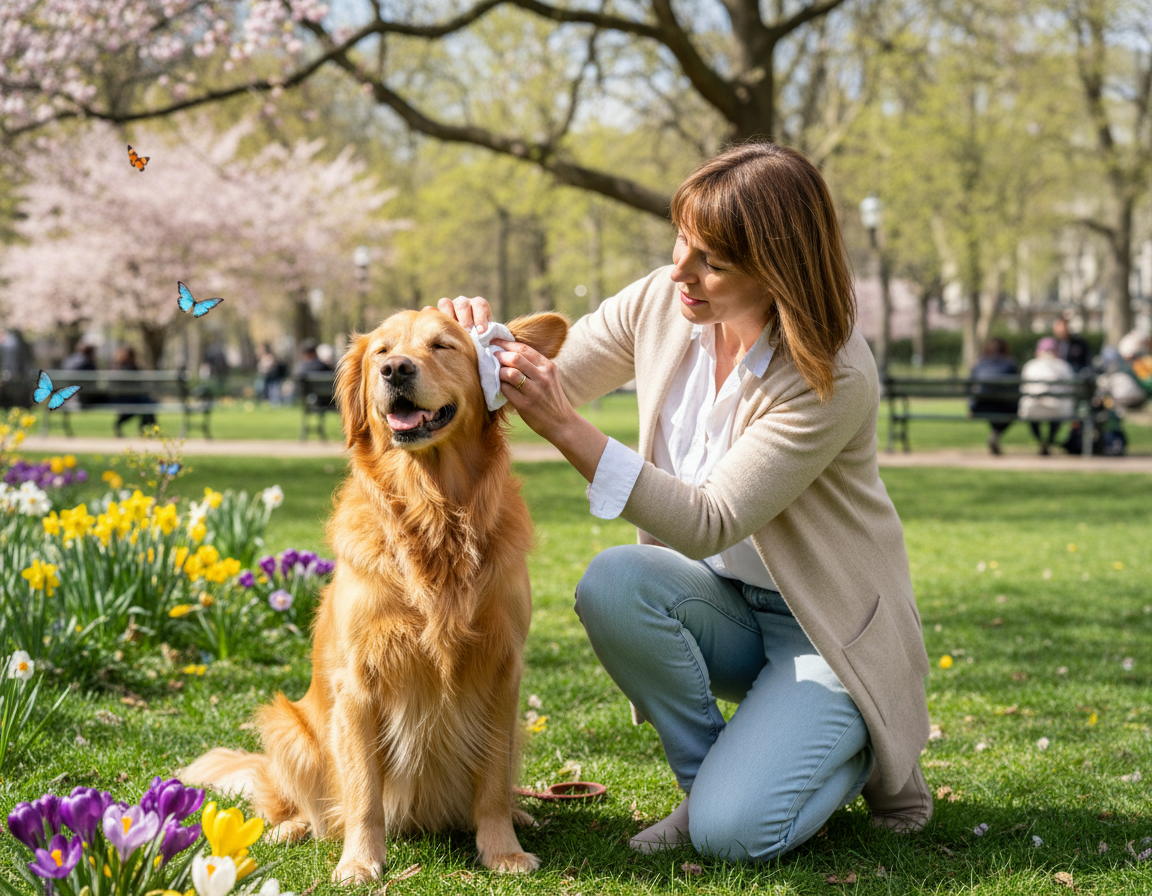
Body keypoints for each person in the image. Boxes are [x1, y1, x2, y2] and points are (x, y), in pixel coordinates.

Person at [439, 143, 932, 863]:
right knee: (613, 582)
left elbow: (710, 521)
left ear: (779, 269)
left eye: (713, 261)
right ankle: (710, 783)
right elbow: (547, 379)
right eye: (682, 241)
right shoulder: (661, 304)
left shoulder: (831, 373)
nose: (681, 270)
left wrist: (565, 428)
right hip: (723, 606)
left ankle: (855, 740)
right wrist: (469, 340)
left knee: (737, 837)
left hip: (824, 630)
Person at [1018, 336, 1075, 455]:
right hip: (1058, 410)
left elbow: (1024, 388)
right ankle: (1048, 441)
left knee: (1032, 411)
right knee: (1057, 410)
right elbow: (1071, 389)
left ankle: (1041, 441)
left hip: (1033, 409)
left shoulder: (1030, 365)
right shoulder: (1063, 366)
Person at [969, 337, 1019, 455]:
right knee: (1013, 410)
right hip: (1004, 405)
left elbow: (970, 386)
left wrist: (971, 407)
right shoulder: (1010, 363)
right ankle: (996, 433)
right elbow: (1016, 387)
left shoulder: (980, 363)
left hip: (981, 406)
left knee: (993, 408)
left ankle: (995, 433)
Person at [110, 344, 157, 436]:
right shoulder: (122, 369)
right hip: (123, 399)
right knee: (146, 404)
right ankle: (147, 430)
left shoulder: (117, 367)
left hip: (132, 398)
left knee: (146, 404)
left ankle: (146, 429)